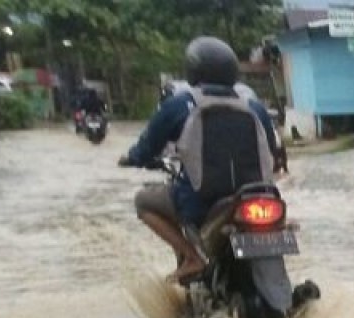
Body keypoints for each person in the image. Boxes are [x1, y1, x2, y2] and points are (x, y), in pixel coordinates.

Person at [119, 37, 281, 284]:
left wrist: (132, 158)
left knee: (143, 201)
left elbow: (146, 148)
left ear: (193, 70)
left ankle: (192, 257)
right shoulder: (253, 106)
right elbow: (270, 148)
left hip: (201, 204)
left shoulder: (180, 104)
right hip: (257, 198)